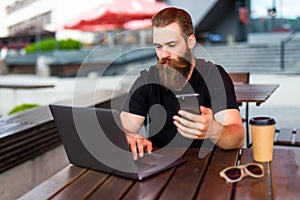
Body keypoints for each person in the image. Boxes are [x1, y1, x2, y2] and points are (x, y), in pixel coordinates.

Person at [120, 7, 245, 160]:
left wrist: (213, 130)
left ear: (190, 41)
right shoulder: (148, 79)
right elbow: (122, 129)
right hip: (160, 168)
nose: (164, 54)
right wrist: (127, 136)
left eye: (171, 45)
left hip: (207, 167)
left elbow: (238, 138)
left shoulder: (213, 76)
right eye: (158, 46)